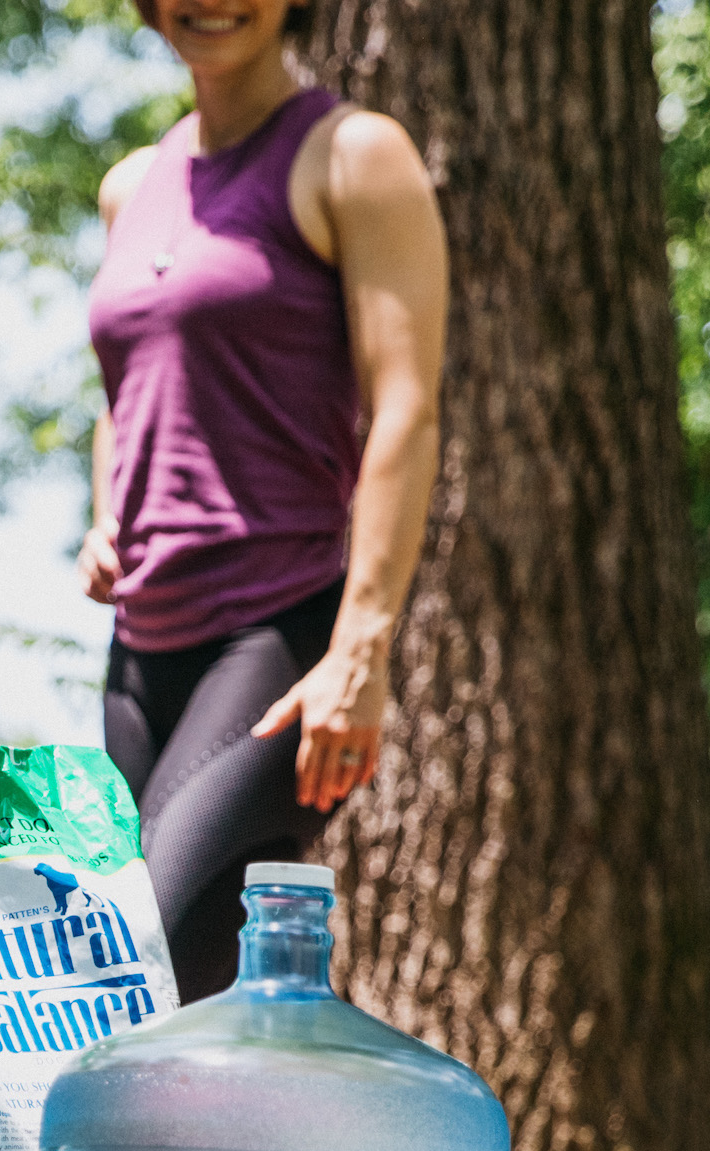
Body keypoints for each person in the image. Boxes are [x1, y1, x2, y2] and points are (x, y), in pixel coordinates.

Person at [83, 0, 448, 999]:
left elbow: (406, 412)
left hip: (279, 633)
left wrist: (360, 651)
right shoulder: (131, 188)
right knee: (142, 978)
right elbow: (126, 387)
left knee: (142, 958)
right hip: (141, 645)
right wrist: (104, 512)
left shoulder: (352, 157)